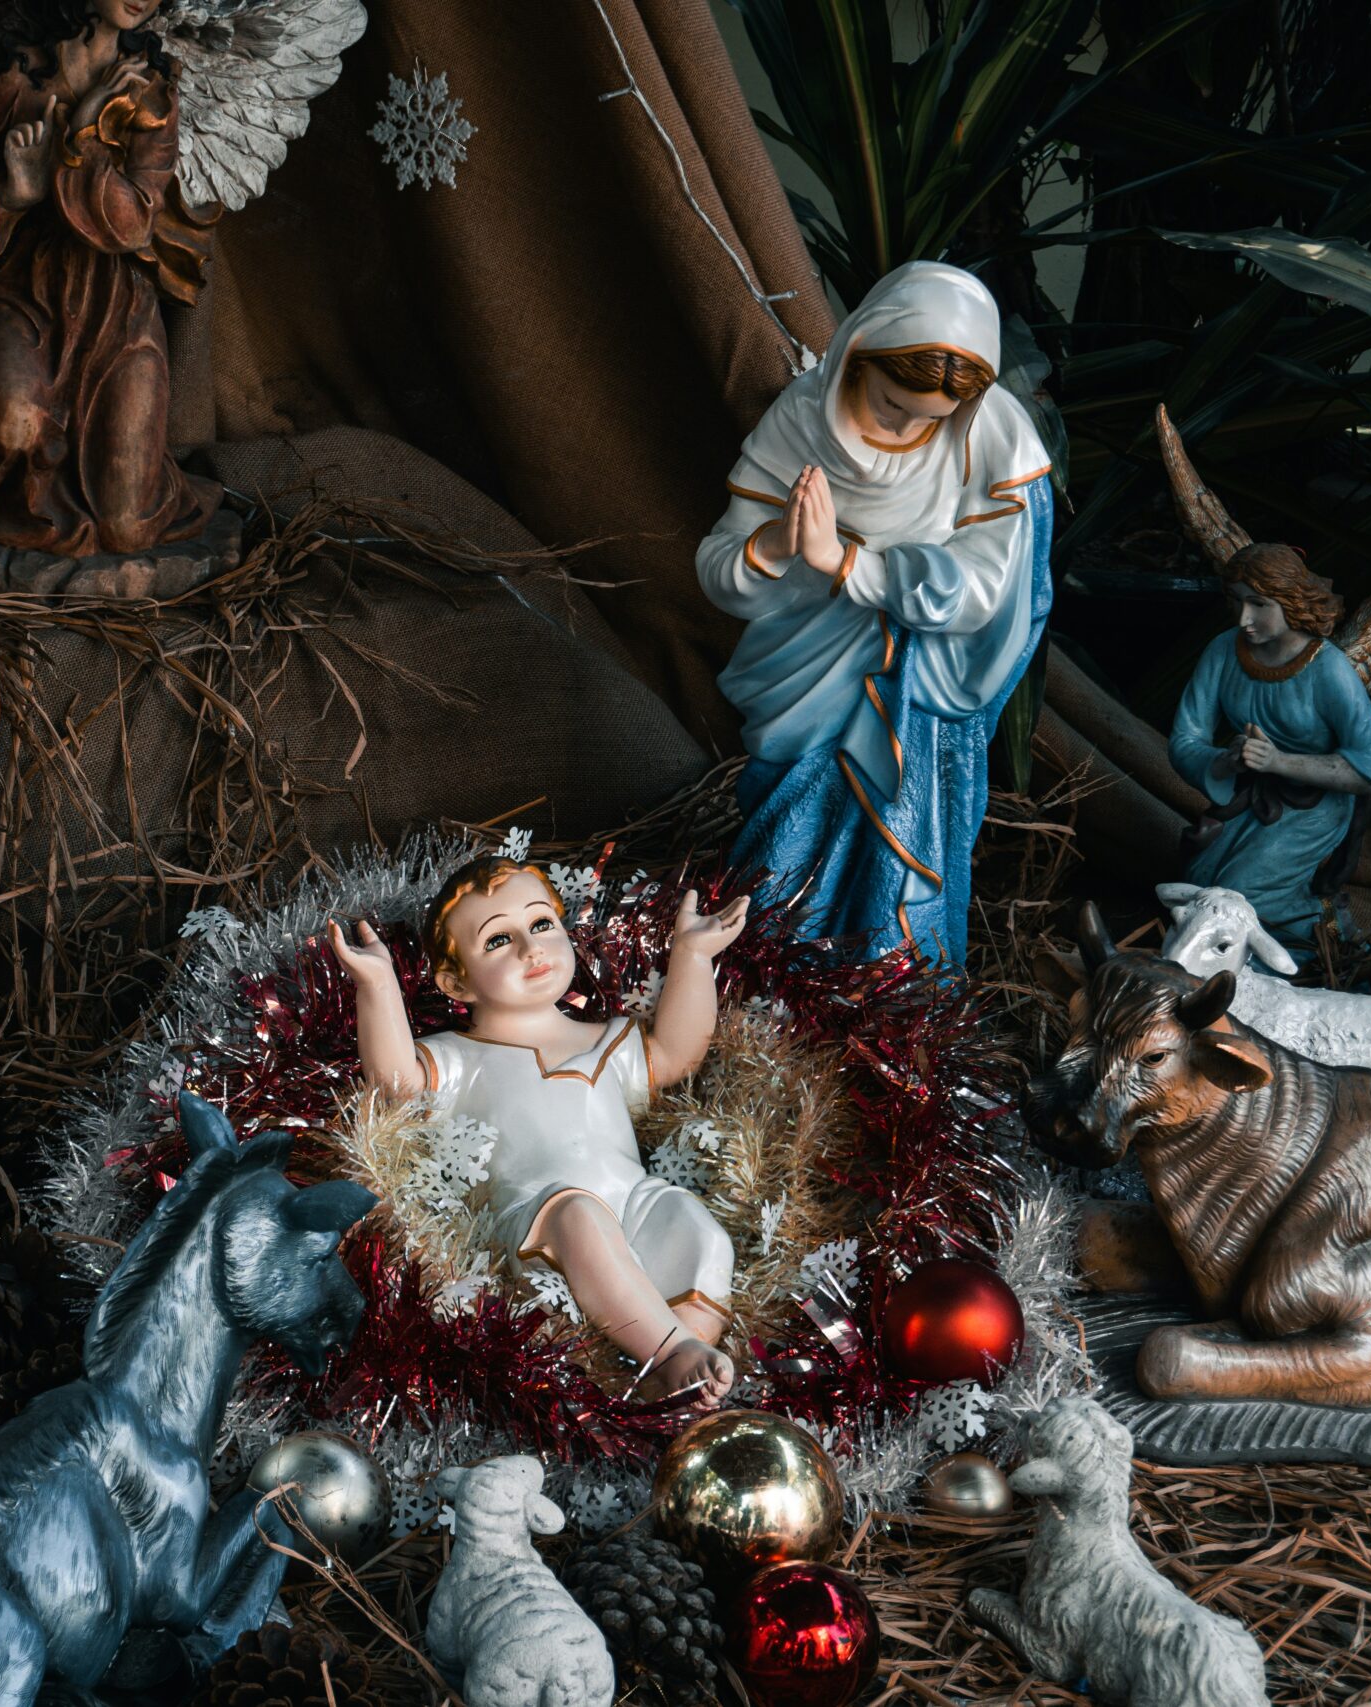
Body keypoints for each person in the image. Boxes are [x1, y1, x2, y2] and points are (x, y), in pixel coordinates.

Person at [697, 261, 1052, 967]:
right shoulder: (802, 421)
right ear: (859, 356)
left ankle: (889, 993)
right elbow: (718, 569)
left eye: (932, 419)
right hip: (803, 675)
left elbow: (989, 588)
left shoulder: (989, 436)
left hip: (917, 685)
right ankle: (774, 978)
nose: (910, 426)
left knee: (901, 827)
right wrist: (779, 543)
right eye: (892, 404)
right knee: (785, 843)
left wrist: (852, 567)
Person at [329, 859, 747, 1404]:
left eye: (542, 924)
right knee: (578, 1215)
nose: (531, 948)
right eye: (499, 939)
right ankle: (668, 1353)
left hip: (633, 1201)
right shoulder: (459, 1058)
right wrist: (379, 986)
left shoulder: (609, 1042)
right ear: (456, 981)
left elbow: (677, 1052)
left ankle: (683, 1369)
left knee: (697, 1230)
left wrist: (692, 957)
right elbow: (396, 1086)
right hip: (536, 1221)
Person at [0, 0, 220, 556]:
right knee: (15, 432)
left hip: (118, 311)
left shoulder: (149, 91)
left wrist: (83, 132)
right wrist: (11, 195)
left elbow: (132, 225)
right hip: (22, 297)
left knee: (127, 527)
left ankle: (154, 480)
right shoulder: (15, 73)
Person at [1167, 543, 1371, 949]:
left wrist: (1279, 761)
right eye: (1237, 602)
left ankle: (1327, 946)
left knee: (1242, 895)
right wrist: (1226, 762)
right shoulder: (1223, 650)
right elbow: (1186, 739)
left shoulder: (1327, 669)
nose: (1245, 619)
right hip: (1249, 795)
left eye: (1259, 604)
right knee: (1200, 887)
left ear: (1291, 600)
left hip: (1316, 806)